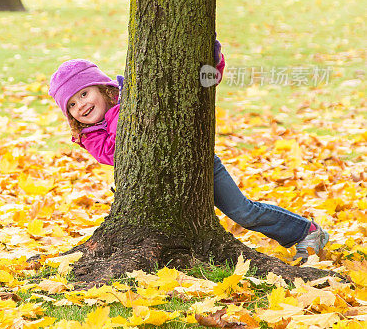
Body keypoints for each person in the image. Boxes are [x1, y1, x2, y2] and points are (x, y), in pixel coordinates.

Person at [49, 53, 329, 263]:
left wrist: (211, 53)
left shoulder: (135, 96)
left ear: (103, 88)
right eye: (72, 104)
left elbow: (194, 86)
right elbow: (115, 153)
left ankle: (306, 231)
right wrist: (118, 117)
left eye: (85, 94)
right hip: (161, 185)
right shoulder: (90, 135)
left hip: (195, 162)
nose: (81, 105)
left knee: (242, 211)